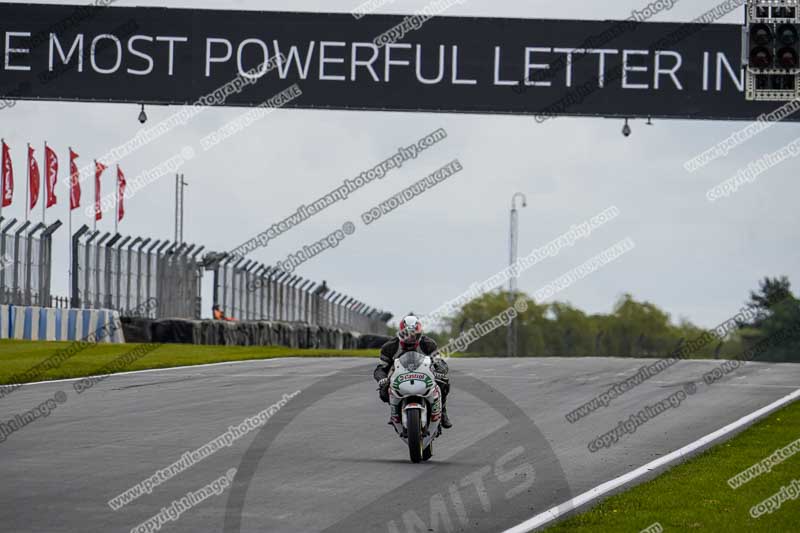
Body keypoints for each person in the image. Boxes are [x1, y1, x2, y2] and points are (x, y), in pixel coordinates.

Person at [374, 315, 452, 429]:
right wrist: (382, 378)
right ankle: (395, 412)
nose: (411, 338)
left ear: (420, 334)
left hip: (424, 374)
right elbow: (381, 367)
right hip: (399, 376)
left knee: (443, 382)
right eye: (407, 334)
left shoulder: (428, 344)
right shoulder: (389, 347)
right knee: (384, 391)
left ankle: (443, 412)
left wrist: (440, 370)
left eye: (414, 335)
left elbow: (440, 361)